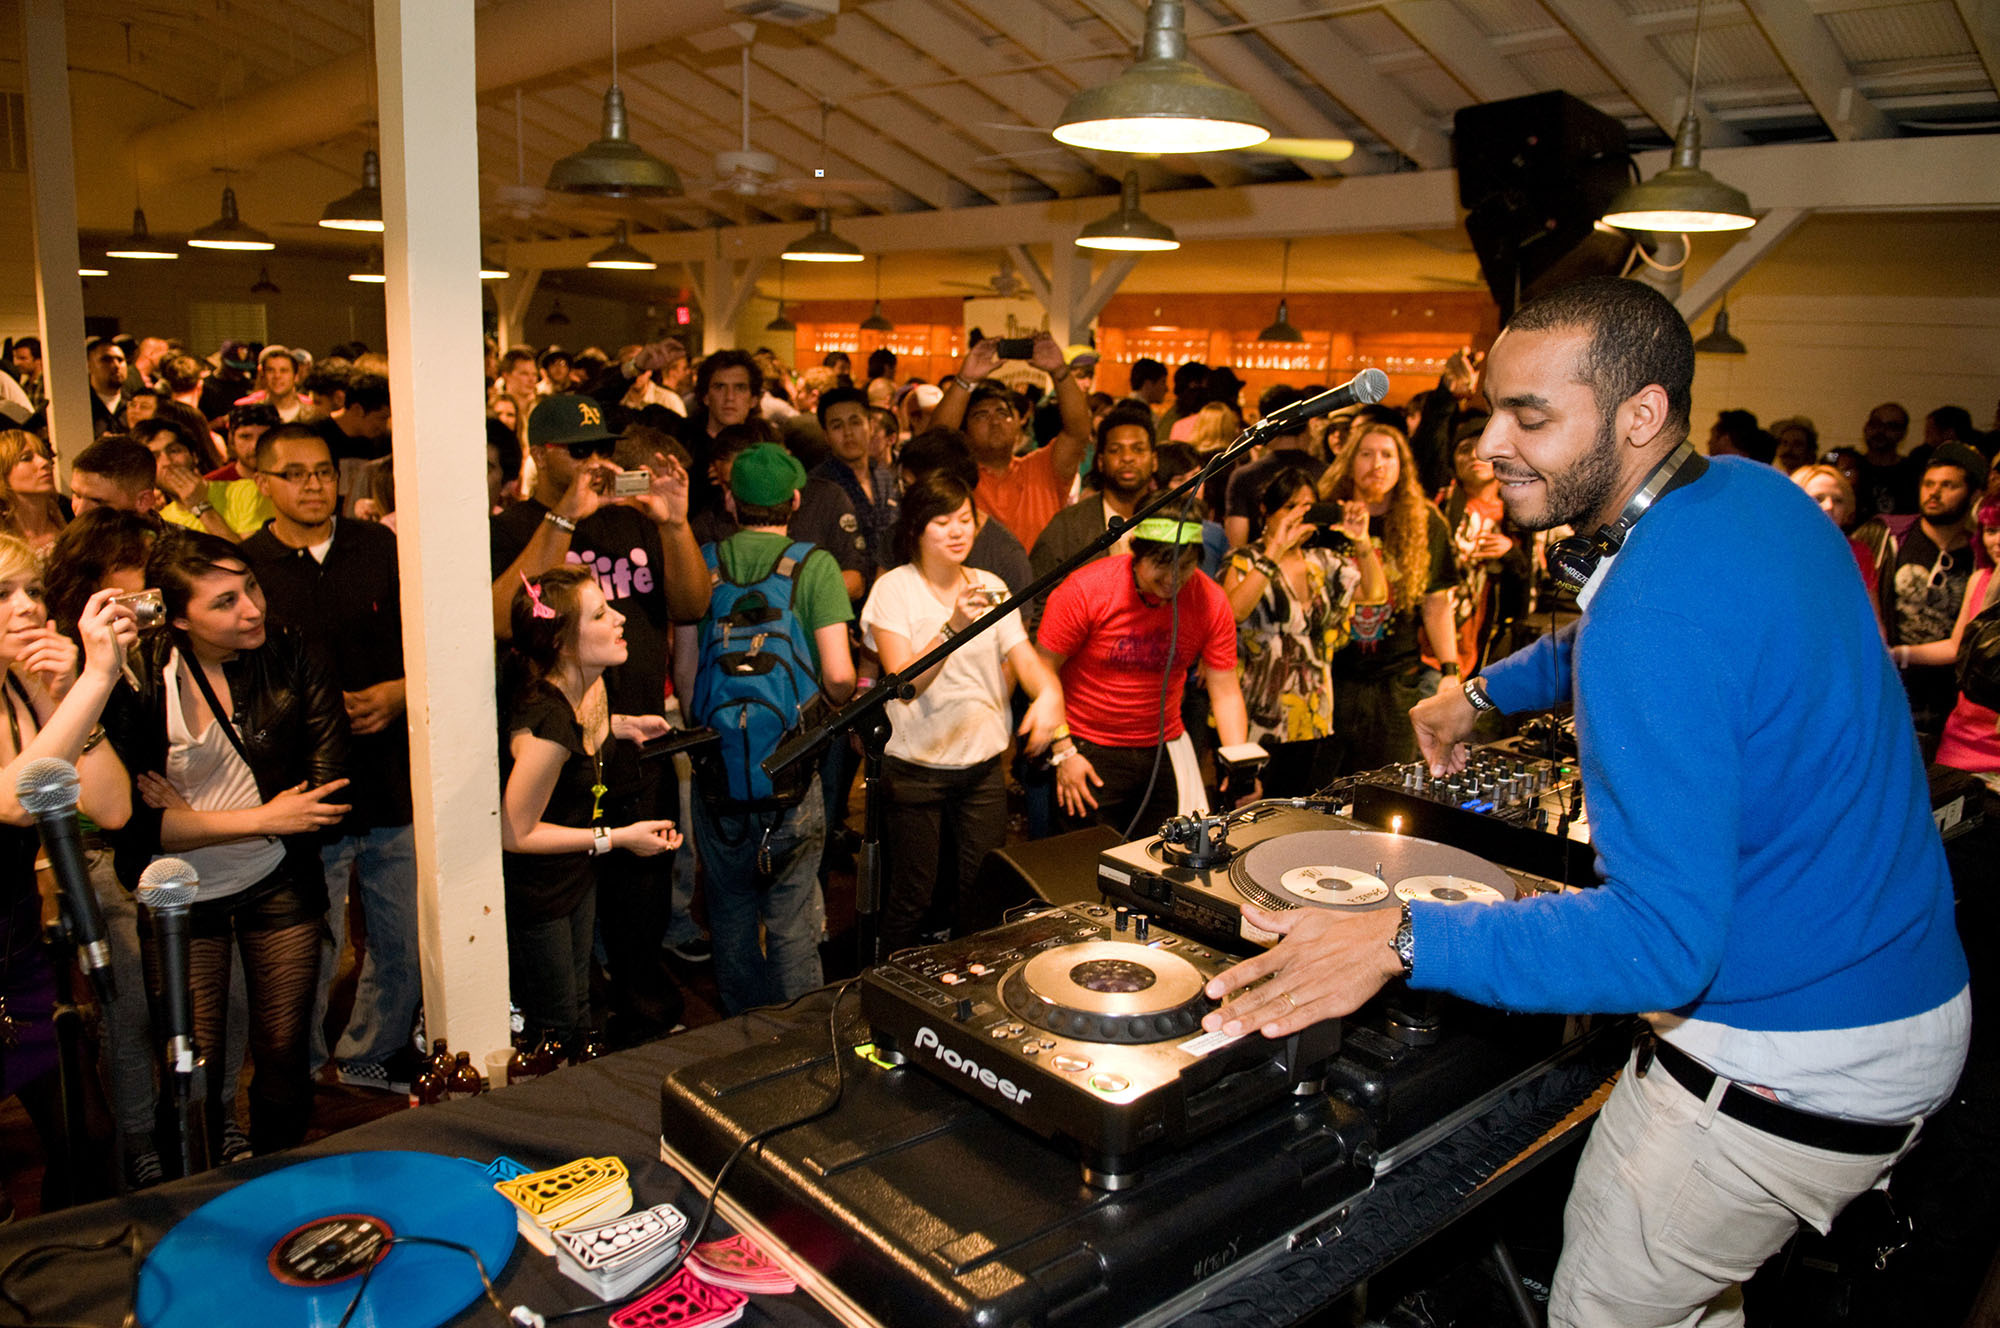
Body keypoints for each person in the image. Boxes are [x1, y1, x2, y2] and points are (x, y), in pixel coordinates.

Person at [1203, 277, 1969, 1328]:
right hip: (1904, 997)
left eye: (1529, 415)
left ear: (1637, 414)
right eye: (1488, 409)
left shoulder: (1656, 614)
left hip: (1779, 1063)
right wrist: (1480, 691)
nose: (1485, 445)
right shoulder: (1748, 497)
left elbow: (1661, 945)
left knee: (1603, 1310)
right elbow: (1605, 626)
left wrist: (1397, 938)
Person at [102, 532, 353, 1158]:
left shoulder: (293, 651)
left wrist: (191, 818)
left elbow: (320, 803)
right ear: (178, 615)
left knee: (282, 1055)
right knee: (191, 1061)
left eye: (252, 587)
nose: (252, 609)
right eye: (225, 602)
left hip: (277, 879)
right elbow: (129, 824)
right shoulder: (138, 674)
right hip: (177, 889)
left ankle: (277, 1180)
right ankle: (195, 1195)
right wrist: (266, 814)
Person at [242, 426, 420, 1092]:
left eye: (322, 472)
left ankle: (372, 1052)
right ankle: (299, 1066)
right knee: (308, 946)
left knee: (401, 936)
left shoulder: (378, 547)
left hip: (390, 778)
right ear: (261, 482)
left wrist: (400, 694)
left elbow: (429, 636)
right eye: (295, 473)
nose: (314, 485)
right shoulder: (247, 567)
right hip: (301, 790)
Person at [860, 472, 1064, 954]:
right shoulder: (895, 590)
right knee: (913, 894)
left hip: (981, 766)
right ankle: (887, 990)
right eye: (942, 521)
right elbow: (902, 684)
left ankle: (967, 984)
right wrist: (952, 627)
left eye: (965, 519)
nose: (957, 530)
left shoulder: (991, 585)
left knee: (982, 889)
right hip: (914, 768)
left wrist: (1049, 696)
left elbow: (1026, 660)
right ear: (916, 529)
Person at [689, 444, 854, 1013]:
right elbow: (838, 675)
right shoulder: (814, 565)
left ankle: (739, 1035)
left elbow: (689, 678)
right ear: (797, 501)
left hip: (717, 770)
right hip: (792, 765)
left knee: (730, 915)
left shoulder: (702, 561)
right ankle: (799, 1041)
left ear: (731, 500)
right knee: (790, 916)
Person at [0, 539, 138, 1210]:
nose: (26, 606)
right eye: (3, 594)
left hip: (19, 951)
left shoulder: (18, 686)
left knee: (87, 1138)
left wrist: (62, 697)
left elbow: (109, 806)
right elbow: (9, 800)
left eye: (30, 590)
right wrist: (96, 680)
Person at [498, 567, 680, 1051]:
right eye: (600, 614)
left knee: (581, 1010)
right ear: (561, 641)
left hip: (573, 878)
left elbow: (587, 731)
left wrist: (620, 726)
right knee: (557, 1027)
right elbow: (516, 833)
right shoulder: (547, 725)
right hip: (539, 894)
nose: (620, 618)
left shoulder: (591, 686)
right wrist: (617, 838)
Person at [1037, 518, 1247, 837]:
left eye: (1185, 566)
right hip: (1087, 746)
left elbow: (1227, 693)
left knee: (1160, 863)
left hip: (1164, 747)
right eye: (1161, 565)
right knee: (1083, 868)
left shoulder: (1209, 600)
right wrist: (1063, 750)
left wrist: (1239, 765)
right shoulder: (1087, 589)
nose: (1172, 578)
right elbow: (1041, 671)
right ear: (1135, 555)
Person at [1222, 466, 1387, 797]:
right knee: (1247, 813)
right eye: (1290, 508)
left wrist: (1362, 541)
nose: (1300, 516)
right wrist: (1275, 551)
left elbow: (1376, 594)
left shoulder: (1323, 561)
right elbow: (1234, 611)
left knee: (1298, 813)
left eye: (1308, 508)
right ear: (1266, 511)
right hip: (1257, 714)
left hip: (1312, 714)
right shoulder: (1246, 560)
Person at [1318, 420, 1461, 772]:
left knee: (1387, 782)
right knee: (1323, 783)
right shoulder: (1326, 514)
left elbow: (1437, 603)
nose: (1377, 465)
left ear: (1402, 466)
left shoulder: (1425, 520)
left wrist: (1450, 669)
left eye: (1387, 455)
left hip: (1397, 679)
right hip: (1332, 675)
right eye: (1366, 454)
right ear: (1350, 461)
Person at [931, 334, 1092, 551]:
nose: (995, 421)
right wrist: (965, 379)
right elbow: (935, 441)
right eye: (981, 415)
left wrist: (1060, 371)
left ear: (1020, 422)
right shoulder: (958, 478)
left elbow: (1078, 434)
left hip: (1041, 583)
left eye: (1003, 413)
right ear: (965, 430)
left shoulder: (1042, 469)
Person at [1886, 442, 1985, 751]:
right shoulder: (1888, 538)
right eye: (1929, 484)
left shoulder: (1981, 554)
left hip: (1947, 695)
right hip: (1890, 685)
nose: (1934, 493)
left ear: (1972, 494)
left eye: (1948, 486)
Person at [1932, 498, 2000, 775]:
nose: (1997, 540)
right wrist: (1897, 654)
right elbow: (1957, 647)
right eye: (1991, 530)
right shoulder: (1980, 579)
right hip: (1964, 734)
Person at [0, 429, 67, 560]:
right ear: (3, 473)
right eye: (26, 458)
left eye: (45, 455)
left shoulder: (71, 515)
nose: (44, 462)